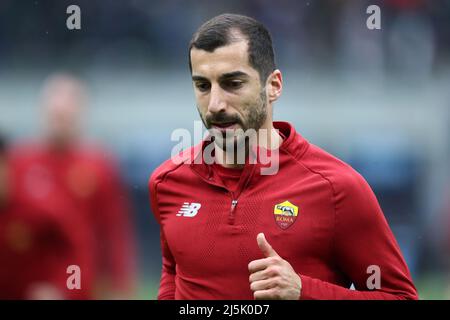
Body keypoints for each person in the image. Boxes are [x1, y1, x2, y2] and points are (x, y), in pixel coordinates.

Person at [149, 13, 418, 300]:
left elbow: (400, 296)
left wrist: (304, 291)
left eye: (233, 83)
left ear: (273, 86)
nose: (215, 104)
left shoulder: (336, 188)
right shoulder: (167, 183)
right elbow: (174, 274)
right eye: (203, 86)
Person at [10, 73, 137, 299]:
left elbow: (113, 230)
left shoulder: (99, 165)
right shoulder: (19, 162)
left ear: (80, 114)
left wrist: (120, 285)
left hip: (82, 285)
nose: (60, 121)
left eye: (66, 115)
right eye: (55, 114)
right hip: (29, 285)